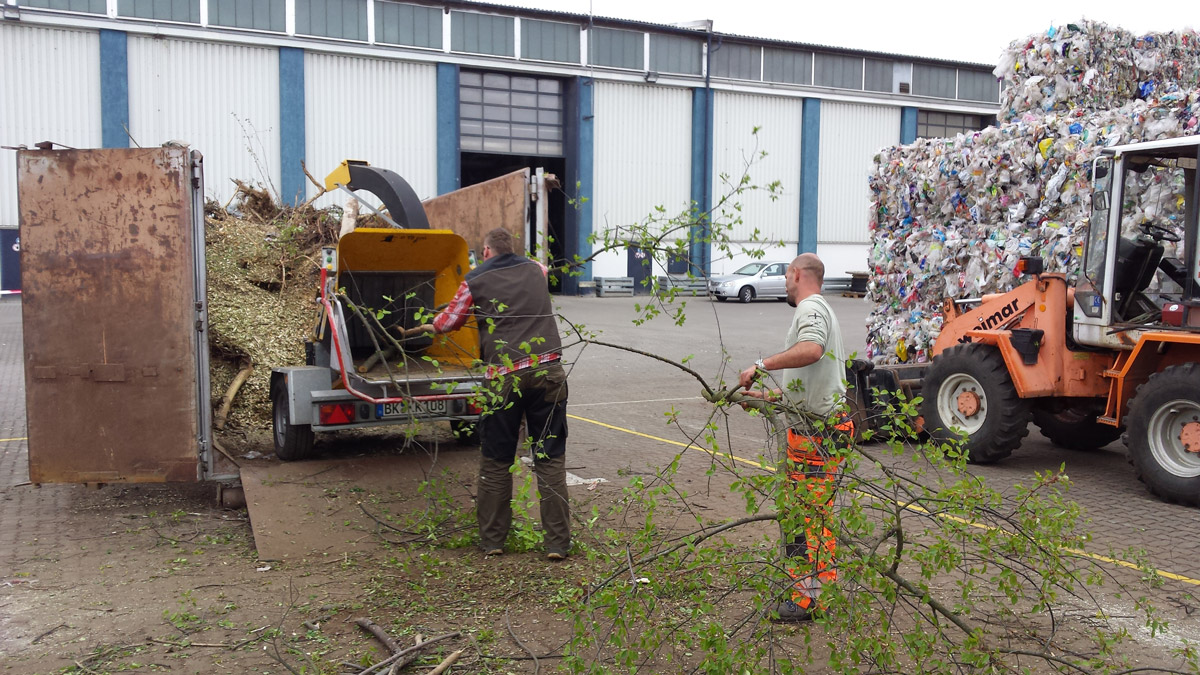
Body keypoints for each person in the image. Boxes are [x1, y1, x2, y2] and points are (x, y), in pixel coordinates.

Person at [404, 228, 570, 561]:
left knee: (496, 461)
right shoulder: (536, 269)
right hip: (548, 373)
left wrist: (426, 325)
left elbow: (448, 323)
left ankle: (493, 541)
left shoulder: (475, 280)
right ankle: (557, 544)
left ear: (485, 251)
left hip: (503, 378)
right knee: (549, 460)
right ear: (513, 248)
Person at [737, 252, 853, 622]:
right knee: (802, 518)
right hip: (816, 430)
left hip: (817, 436)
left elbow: (812, 349)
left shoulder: (810, 309)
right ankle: (809, 589)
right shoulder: (820, 310)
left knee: (810, 520)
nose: (785, 284)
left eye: (786, 277)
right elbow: (811, 384)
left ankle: (809, 600)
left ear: (795, 273)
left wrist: (761, 365)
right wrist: (768, 399)